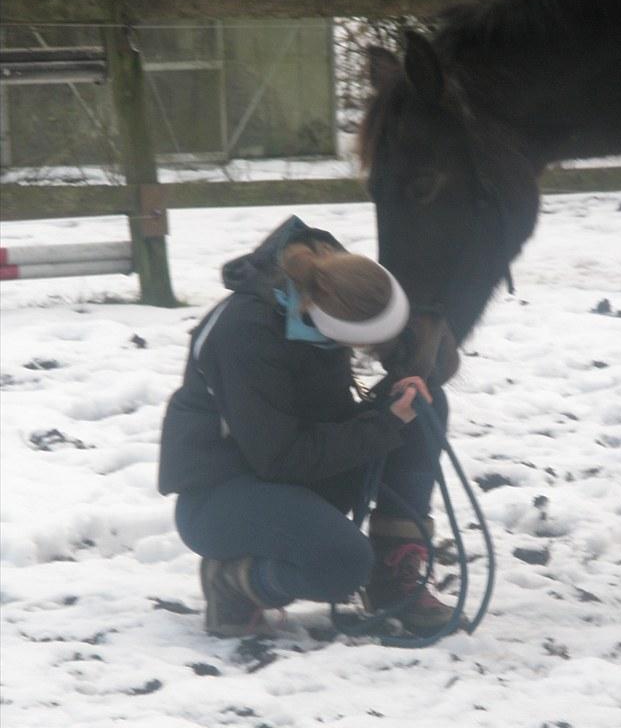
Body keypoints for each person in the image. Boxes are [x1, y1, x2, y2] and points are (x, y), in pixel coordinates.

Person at [158, 215, 455, 638]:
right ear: (336, 331)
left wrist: (412, 373)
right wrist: (384, 423)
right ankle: (234, 581)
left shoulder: (330, 289)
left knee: (426, 405)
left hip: (299, 476)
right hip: (222, 495)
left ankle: (391, 576)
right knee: (343, 565)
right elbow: (281, 459)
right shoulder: (243, 336)